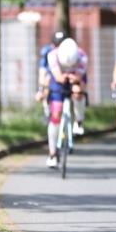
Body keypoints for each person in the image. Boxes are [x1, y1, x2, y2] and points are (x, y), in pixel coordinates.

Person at [42, 37, 89, 168]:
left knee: (78, 92)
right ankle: (52, 153)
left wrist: (74, 78)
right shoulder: (52, 55)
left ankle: (79, 121)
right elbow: (57, 76)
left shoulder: (82, 56)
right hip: (58, 81)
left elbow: (79, 76)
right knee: (56, 114)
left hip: (75, 77)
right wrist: (63, 76)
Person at [36, 30, 66, 118]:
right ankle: (47, 108)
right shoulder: (47, 52)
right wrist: (41, 90)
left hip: (65, 77)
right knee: (48, 78)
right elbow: (42, 71)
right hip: (52, 79)